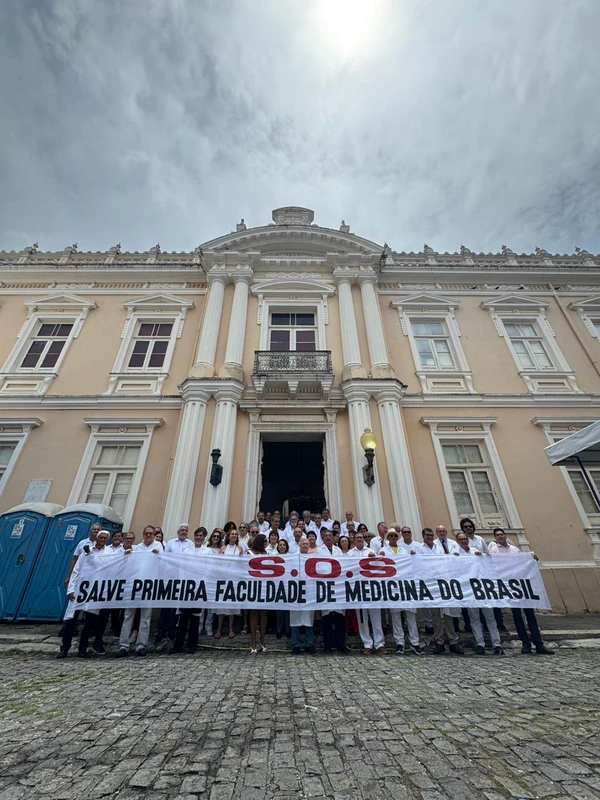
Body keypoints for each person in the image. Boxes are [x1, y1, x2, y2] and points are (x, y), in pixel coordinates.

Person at [488, 528, 554, 655]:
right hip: (509, 586)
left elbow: (523, 563)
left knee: (530, 614)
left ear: (505, 535)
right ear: (495, 538)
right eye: (497, 535)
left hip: (521, 585)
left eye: (502, 534)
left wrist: (531, 558)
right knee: (517, 616)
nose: (500, 536)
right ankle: (525, 643)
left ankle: (539, 643)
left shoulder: (514, 549)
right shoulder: (494, 550)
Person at [59, 530, 113, 658]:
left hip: (93, 591)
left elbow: (104, 567)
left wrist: (91, 555)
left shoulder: (108, 553)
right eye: (101, 537)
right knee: (70, 621)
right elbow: (76, 571)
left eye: (105, 538)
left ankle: (82, 648)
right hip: (79, 590)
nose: (103, 540)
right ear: (96, 538)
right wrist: (71, 589)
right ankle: (65, 647)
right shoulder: (85, 551)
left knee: (90, 622)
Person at [455, 532, 504, 655]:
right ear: (457, 541)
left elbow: (489, 560)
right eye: (461, 539)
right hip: (469, 590)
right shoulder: (455, 553)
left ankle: (497, 644)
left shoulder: (475, 550)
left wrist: (483, 555)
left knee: (490, 617)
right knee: (474, 618)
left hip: (482, 588)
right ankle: (480, 643)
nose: (463, 541)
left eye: (465, 539)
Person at [118, 526, 161, 657]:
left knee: (145, 617)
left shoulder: (158, 546)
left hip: (149, 586)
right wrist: (126, 555)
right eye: (146, 533)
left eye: (151, 533)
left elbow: (163, 561)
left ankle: (141, 645)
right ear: (143, 534)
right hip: (134, 586)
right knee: (128, 615)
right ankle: (123, 645)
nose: (148, 535)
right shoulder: (137, 548)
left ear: (154, 535)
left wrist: (157, 554)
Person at [419, 527, 464, 655]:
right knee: (436, 615)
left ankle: (453, 640)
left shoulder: (439, 547)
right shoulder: (420, 548)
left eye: (431, 535)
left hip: (444, 581)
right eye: (427, 535)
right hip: (431, 583)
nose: (429, 537)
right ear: (423, 536)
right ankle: (439, 641)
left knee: (448, 613)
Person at [381, 529, 423, 655]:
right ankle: (399, 642)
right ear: (388, 538)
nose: (393, 537)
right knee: (396, 616)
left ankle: (414, 642)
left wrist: (412, 556)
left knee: (411, 614)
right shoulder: (383, 551)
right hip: (393, 585)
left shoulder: (404, 550)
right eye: (391, 536)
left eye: (395, 535)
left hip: (406, 584)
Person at [171, 528, 207, 654]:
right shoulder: (187, 550)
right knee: (182, 618)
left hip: (198, 587)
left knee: (195, 619)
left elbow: (207, 569)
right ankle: (178, 645)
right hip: (186, 587)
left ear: (204, 538)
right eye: (196, 535)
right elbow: (182, 567)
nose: (198, 537)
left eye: (200, 536)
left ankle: (192, 645)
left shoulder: (207, 552)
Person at [349, 531, 385, 654]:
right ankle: (367, 643)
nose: (359, 539)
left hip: (372, 588)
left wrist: (373, 559)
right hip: (358, 589)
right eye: (357, 537)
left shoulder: (371, 552)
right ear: (353, 540)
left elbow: (379, 567)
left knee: (376, 617)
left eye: (361, 537)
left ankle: (379, 643)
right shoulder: (350, 553)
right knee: (362, 619)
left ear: (364, 539)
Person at [247, 534, 268, 653]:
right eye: (264, 541)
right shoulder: (249, 553)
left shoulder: (266, 554)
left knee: (264, 613)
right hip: (253, 586)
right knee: (254, 613)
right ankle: (253, 641)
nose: (266, 543)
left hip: (264, 586)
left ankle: (262, 639)